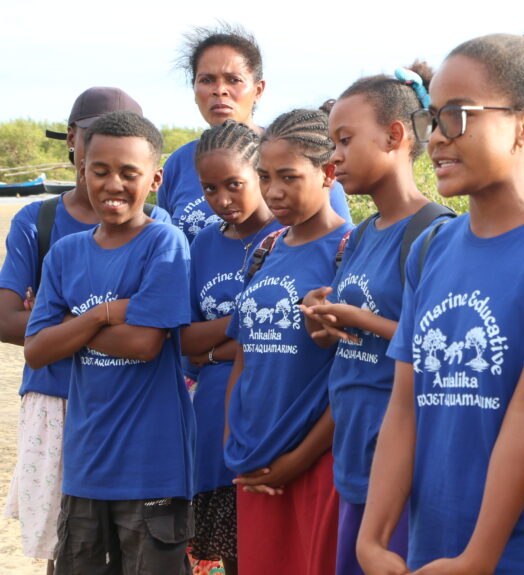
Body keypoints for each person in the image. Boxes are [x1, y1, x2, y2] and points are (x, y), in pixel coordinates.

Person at [356, 34, 524, 574]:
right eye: (432, 119)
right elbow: (404, 406)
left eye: (457, 116)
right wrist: (372, 539)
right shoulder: (431, 247)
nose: (436, 139)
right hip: (439, 542)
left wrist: (478, 557)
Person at [0, 87, 170, 567]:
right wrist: (105, 313)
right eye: (95, 140)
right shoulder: (40, 221)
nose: (113, 178)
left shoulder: (158, 228)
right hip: (52, 398)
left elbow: (147, 337)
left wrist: (55, 322)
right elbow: (9, 322)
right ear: (74, 141)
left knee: (132, 538)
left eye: (128, 166)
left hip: (127, 400)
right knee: (68, 543)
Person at [298, 62, 446, 575]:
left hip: (403, 460)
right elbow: (337, 341)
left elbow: (437, 349)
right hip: (354, 449)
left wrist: (359, 317)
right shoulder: (361, 235)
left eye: (345, 140)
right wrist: (321, 317)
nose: (334, 156)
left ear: (396, 136)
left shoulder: (435, 232)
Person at [223, 108, 354, 574]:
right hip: (254, 462)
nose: (273, 191)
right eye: (264, 176)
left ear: (328, 173)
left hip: (316, 463)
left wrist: (298, 460)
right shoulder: (265, 250)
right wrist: (234, 442)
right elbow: (244, 358)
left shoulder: (351, 252)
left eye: (289, 176)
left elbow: (352, 376)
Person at [181, 120, 281, 575]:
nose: (221, 200)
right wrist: (246, 321)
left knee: (272, 550)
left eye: (233, 185)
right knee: (233, 556)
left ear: (260, 174)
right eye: (209, 188)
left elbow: (280, 338)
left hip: (269, 414)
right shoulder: (204, 243)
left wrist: (217, 347)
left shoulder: (287, 237)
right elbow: (185, 340)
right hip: (212, 419)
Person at [163, 23, 351, 244]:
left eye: (233, 79)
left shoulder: (300, 152)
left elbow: (337, 240)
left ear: (258, 90)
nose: (219, 90)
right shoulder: (178, 164)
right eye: (206, 80)